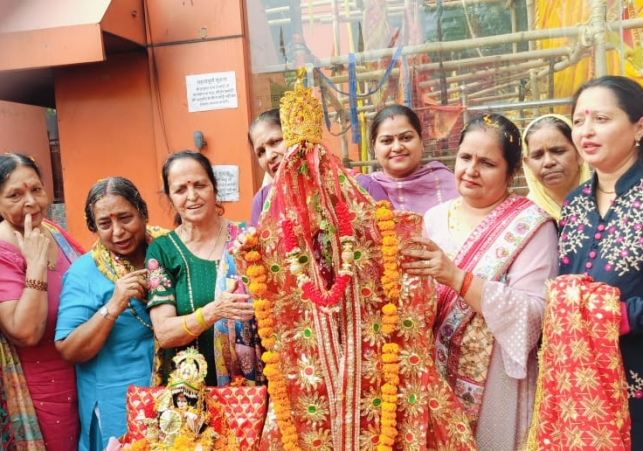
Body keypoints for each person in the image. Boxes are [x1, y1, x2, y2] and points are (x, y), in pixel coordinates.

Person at [233, 69, 477, 450]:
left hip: (369, 346)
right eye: (261, 150)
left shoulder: (357, 196)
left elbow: (383, 251)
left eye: (279, 143)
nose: (277, 157)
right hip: (306, 361)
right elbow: (262, 286)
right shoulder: (265, 215)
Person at [401, 114, 558, 449]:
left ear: (512, 172)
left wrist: (457, 278)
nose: (471, 170)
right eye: (465, 158)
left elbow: (535, 315)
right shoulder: (434, 218)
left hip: (496, 379)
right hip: (435, 372)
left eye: (487, 163)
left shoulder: (533, 226)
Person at [559, 75, 643, 449]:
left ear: (639, 127)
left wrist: (624, 315)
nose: (586, 131)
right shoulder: (574, 204)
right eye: (579, 121)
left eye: (602, 120)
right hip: (587, 381)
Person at [54, 177, 166, 451]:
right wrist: (113, 306)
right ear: (94, 227)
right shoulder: (84, 273)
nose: (118, 232)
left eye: (126, 218)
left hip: (175, 392)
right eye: (105, 224)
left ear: (143, 213)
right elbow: (69, 349)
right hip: (117, 403)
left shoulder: (168, 251)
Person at [145, 150, 264, 387]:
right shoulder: (163, 252)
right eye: (180, 190)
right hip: (190, 396)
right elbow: (165, 333)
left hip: (250, 395)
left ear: (214, 187)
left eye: (199, 185)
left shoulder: (247, 240)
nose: (192, 196)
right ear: (170, 198)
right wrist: (214, 312)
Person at [0, 153, 83, 449]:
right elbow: (25, 332)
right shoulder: (2, 249)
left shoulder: (55, 232)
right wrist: (35, 265)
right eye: (15, 195)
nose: (31, 202)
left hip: (83, 382)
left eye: (36, 189)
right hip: (37, 396)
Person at [248, 108, 389, 225]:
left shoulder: (361, 186)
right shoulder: (263, 202)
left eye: (275, 142)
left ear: (301, 137)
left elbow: (395, 247)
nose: (269, 156)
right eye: (260, 152)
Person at [368, 104, 459, 215]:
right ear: (375, 148)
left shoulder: (450, 183)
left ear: (421, 141)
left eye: (406, 138)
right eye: (387, 141)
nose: (397, 147)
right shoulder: (364, 190)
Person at [522, 114, 592, 221]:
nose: (548, 162)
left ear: (579, 154)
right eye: (537, 156)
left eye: (558, 151)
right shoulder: (525, 218)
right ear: (527, 164)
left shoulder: (606, 204)